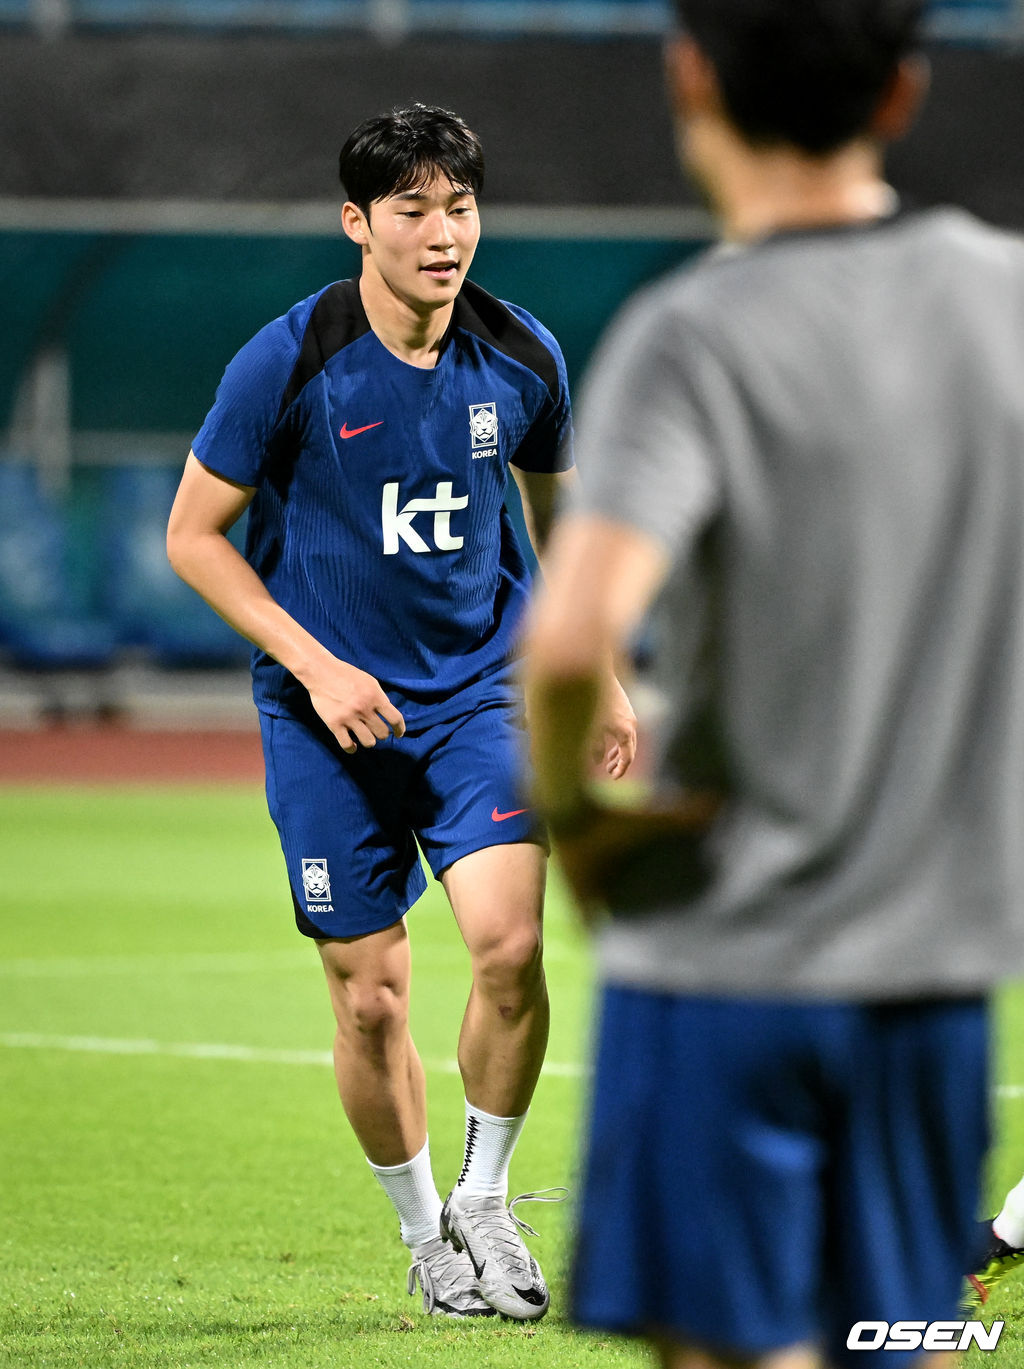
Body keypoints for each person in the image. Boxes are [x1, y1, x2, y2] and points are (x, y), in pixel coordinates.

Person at [523, 1, 1024, 1364]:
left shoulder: (693, 335)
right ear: (904, 93)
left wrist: (581, 833)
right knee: (895, 1335)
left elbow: (571, 642)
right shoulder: (1007, 303)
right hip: (933, 983)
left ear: (689, 75)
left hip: (725, 963)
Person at [166, 103, 636, 1321]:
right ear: (357, 223)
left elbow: (559, 520)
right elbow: (193, 538)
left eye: (461, 206)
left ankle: (486, 1198)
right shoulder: (289, 358)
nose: (443, 233)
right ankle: (427, 1230)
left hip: (477, 693)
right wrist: (315, 665)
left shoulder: (522, 353)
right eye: (414, 209)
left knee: (512, 946)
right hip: (329, 715)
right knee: (370, 996)